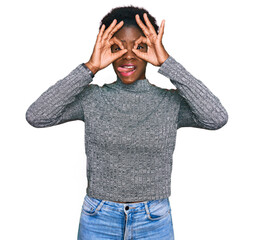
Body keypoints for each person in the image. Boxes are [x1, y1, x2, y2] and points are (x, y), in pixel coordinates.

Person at [25, 5, 228, 240]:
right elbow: (37, 115)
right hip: (98, 217)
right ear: (106, 49)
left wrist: (167, 62)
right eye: (117, 47)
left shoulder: (170, 103)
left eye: (140, 47)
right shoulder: (92, 98)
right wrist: (89, 67)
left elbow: (216, 118)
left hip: (154, 219)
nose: (128, 55)